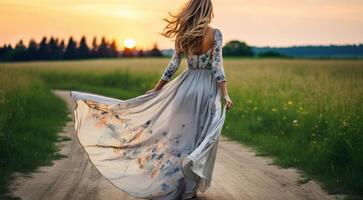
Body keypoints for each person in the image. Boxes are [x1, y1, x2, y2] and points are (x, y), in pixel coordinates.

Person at [70, 0, 233, 199]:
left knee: (180, 138)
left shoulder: (183, 34)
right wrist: (225, 94)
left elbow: (173, 65)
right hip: (206, 89)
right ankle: (190, 187)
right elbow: (217, 67)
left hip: (185, 88)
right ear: (209, 11)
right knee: (202, 137)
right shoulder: (215, 34)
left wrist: (157, 89)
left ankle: (175, 184)